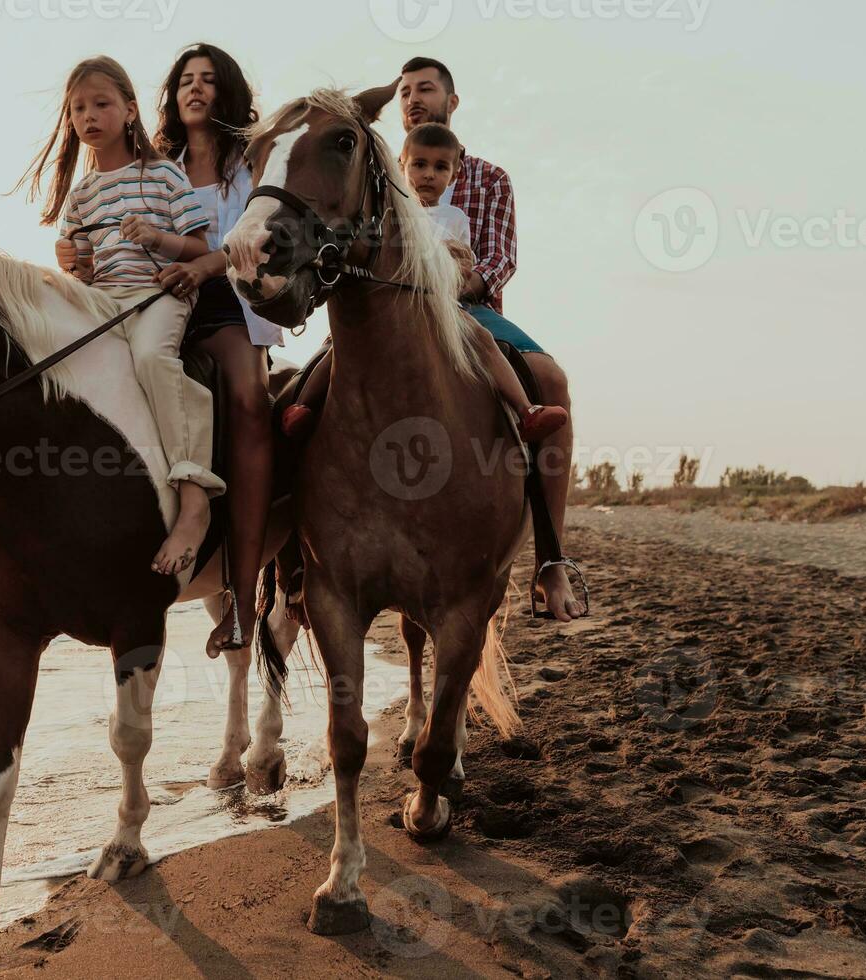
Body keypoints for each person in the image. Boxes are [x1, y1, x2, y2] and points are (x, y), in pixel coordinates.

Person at [16, 55, 225, 576]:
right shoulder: (82, 193)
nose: (88, 116)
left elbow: (198, 246)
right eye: (78, 108)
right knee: (52, 353)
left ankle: (194, 496)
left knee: (154, 359)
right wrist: (71, 262)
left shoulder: (162, 175)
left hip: (157, 294)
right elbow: (81, 265)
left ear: (130, 110)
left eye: (101, 104)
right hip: (103, 301)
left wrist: (157, 238)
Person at [397, 55, 586, 622]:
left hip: (469, 306)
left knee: (551, 379)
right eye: (404, 91)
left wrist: (457, 278)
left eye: (425, 89)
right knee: (308, 384)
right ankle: (300, 565)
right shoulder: (383, 174)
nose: (412, 99)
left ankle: (551, 563)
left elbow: (500, 258)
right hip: (395, 307)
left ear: (452, 103)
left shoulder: (489, 178)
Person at [283, 125, 568, 444]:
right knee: (336, 346)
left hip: (443, 305)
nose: (429, 175)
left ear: (454, 173)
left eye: (440, 167)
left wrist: (451, 269)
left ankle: (527, 410)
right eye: (420, 165)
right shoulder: (389, 215)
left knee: (483, 340)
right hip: (388, 306)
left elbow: (463, 263)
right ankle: (302, 404)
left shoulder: (455, 218)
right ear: (401, 165)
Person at [152, 43, 281, 656]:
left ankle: (243, 592)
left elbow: (255, 236)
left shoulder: (252, 161)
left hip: (230, 302)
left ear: (225, 92)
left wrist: (207, 265)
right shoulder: (157, 165)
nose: (195, 89)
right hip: (161, 301)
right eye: (185, 81)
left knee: (250, 403)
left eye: (207, 80)